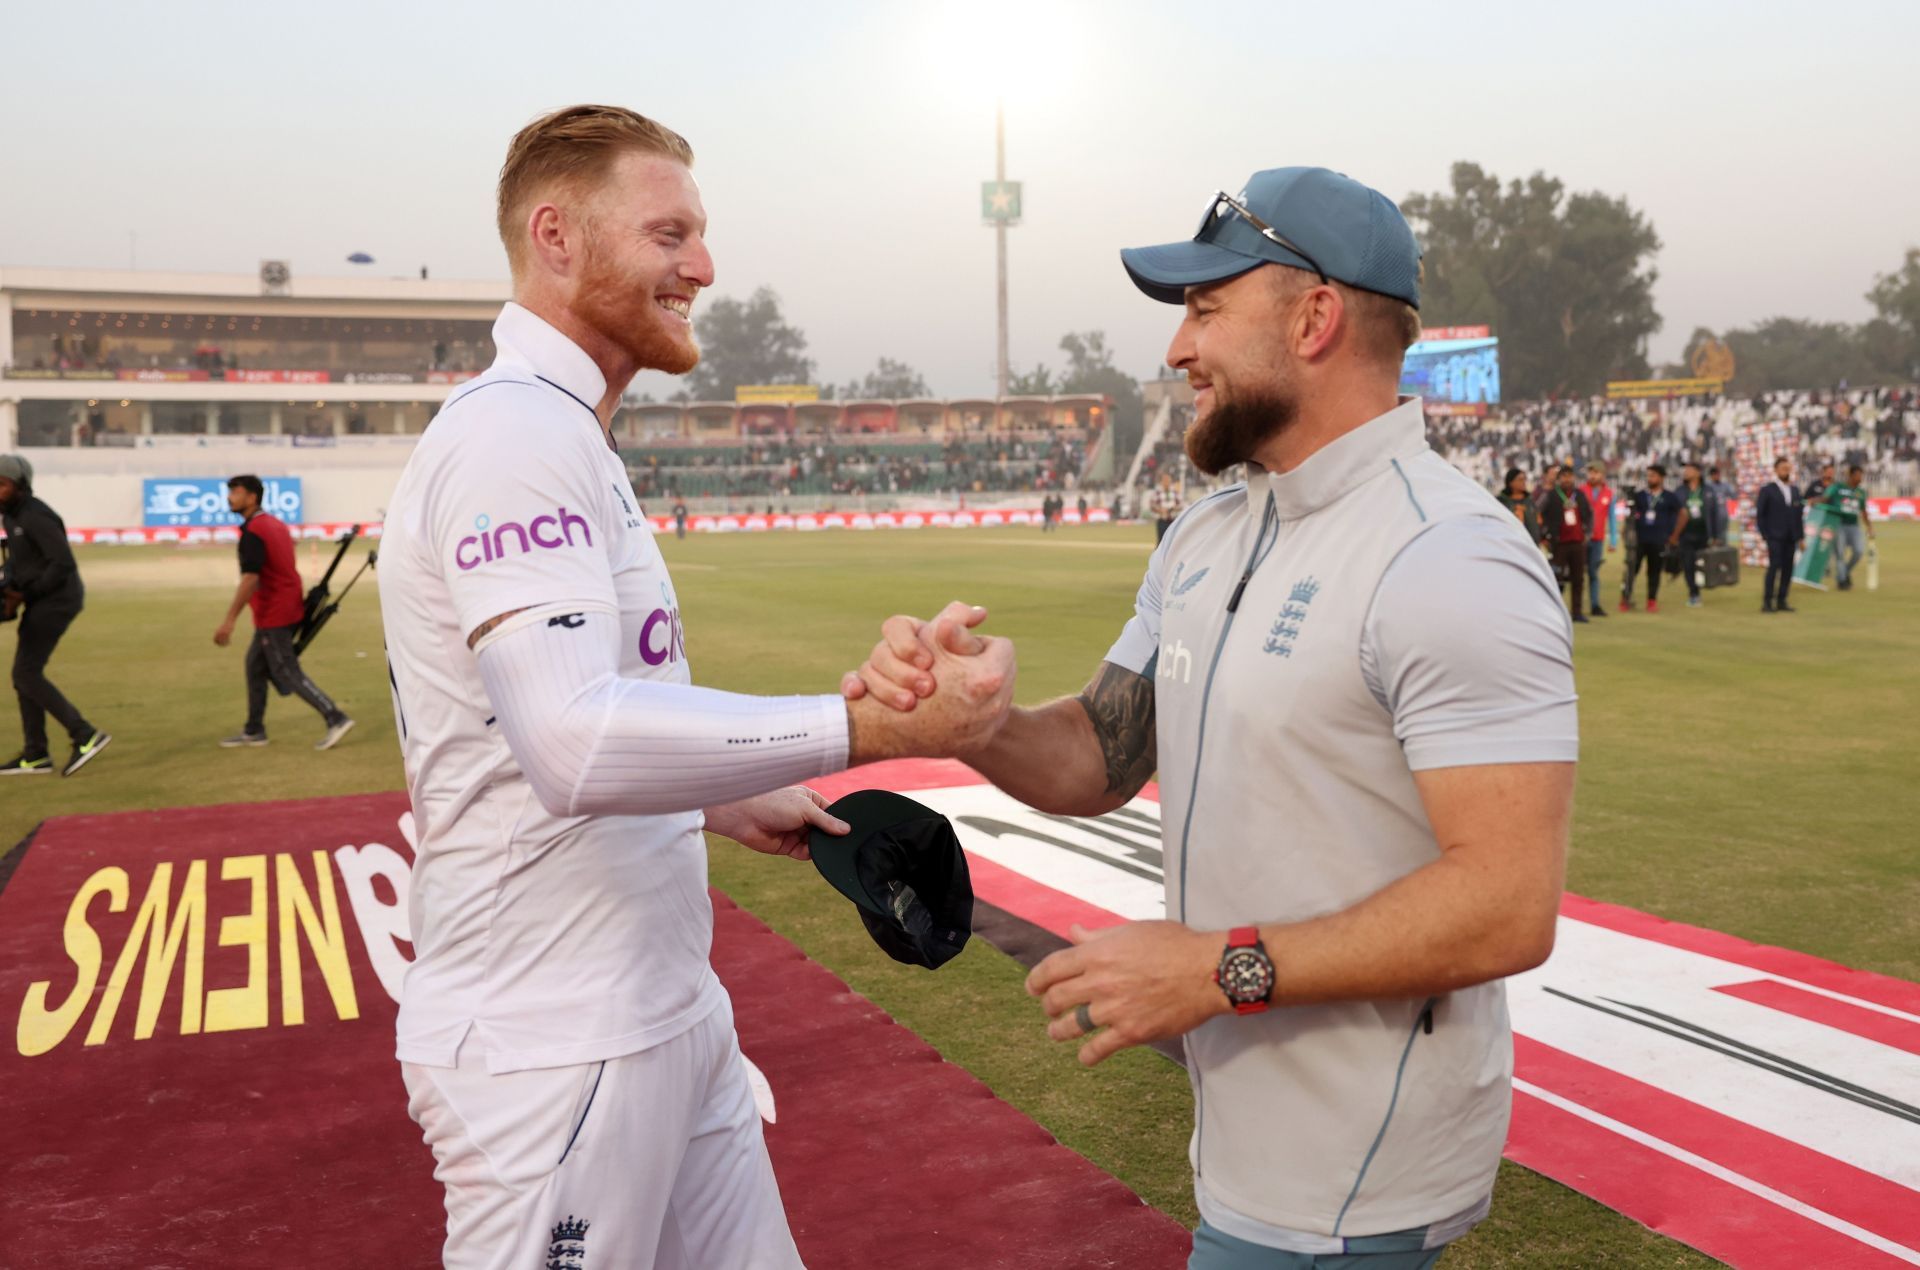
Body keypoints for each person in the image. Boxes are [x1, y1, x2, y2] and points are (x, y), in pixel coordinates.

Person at [849, 166, 1575, 1268]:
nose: (1178, 350)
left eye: (1205, 307)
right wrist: (979, 722)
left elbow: (1506, 905)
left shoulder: (1448, 557)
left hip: (1356, 1171)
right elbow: (1101, 750)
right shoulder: (1205, 536)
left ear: (1316, 317)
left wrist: (1211, 971)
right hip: (1248, 1138)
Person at [378, 105, 1011, 1270]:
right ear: (558, 236)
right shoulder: (516, 435)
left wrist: (723, 796)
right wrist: (864, 725)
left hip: (665, 1013)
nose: (704, 266)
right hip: (554, 1043)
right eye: (669, 233)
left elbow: (558, 726)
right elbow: (571, 741)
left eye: (701, 235)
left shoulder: (569, 433)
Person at [213, 475, 355, 751]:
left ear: (252, 497)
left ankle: (335, 717)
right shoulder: (274, 524)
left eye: (235, 492)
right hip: (289, 605)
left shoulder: (254, 531)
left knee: (287, 671)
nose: (230, 497)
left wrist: (229, 620)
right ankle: (254, 730)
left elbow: (251, 579)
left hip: (274, 612)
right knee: (255, 665)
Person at [0, 454, 111, 777]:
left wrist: (26, 594)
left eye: (2, 485)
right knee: (25, 675)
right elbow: (21, 563)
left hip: (58, 601)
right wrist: (9, 585)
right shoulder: (11, 516)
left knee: (26, 674)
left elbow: (63, 563)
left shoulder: (36, 516)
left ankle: (85, 734)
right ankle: (35, 755)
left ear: (20, 485)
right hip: (42, 600)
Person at [1621, 464, 1683, 613]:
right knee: (1632, 570)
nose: (1650, 478)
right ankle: (1625, 599)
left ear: (1661, 478)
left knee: (1654, 572)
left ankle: (1651, 601)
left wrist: (1674, 536)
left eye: (1653, 475)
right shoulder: (1640, 495)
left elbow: (1682, 513)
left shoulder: (1669, 497)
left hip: (1659, 540)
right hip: (1639, 540)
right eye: (1648, 475)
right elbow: (1630, 514)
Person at [1544, 465, 1594, 623]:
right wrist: (1546, 535)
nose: (1567, 479)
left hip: (1578, 542)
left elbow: (1589, 514)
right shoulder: (1551, 496)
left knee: (1578, 579)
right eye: (1563, 476)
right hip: (1560, 544)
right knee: (1557, 578)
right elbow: (1539, 513)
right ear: (1558, 479)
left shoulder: (1579, 495)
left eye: (1570, 476)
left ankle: (1576, 612)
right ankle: (1554, 612)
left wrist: (1587, 534)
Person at [1754, 455, 1803, 613]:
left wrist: (1800, 537)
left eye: (1788, 468)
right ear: (1776, 470)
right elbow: (1761, 514)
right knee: (1774, 568)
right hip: (1775, 536)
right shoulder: (1768, 490)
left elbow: (1798, 516)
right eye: (1783, 468)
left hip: (1791, 537)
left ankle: (1782, 600)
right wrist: (1765, 535)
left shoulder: (1795, 490)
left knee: (1788, 569)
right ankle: (1767, 601)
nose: (1786, 471)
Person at [1821, 465, 1875, 590]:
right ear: (1850, 475)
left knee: (1859, 551)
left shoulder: (1860, 492)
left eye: (1861, 475)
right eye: (1858, 475)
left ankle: (1844, 572)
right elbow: (1825, 498)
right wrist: (1812, 501)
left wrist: (1870, 527)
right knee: (1840, 553)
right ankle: (1842, 581)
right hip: (1838, 523)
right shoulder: (1838, 487)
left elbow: (1864, 511)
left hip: (1854, 525)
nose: (1860, 478)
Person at [1673, 461, 1714, 607]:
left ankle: (1699, 588)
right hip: (1686, 534)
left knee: (1703, 565)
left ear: (1698, 472)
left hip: (1704, 533)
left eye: (1689, 469)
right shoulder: (1679, 491)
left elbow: (1716, 514)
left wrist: (1716, 536)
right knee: (1688, 565)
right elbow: (1674, 513)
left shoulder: (1708, 490)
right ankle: (1694, 593)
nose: (1686, 472)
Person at [1577, 460, 1614, 618]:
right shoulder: (1580, 490)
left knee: (1593, 572)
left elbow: (1612, 518)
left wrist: (1613, 541)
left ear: (1602, 474)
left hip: (1598, 539)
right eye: (1590, 472)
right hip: (1581, 538)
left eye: (1595, 472)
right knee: (1577, 573)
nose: (1592, 476)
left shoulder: (1608, 493)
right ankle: (1576, 606)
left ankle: (1594, 605)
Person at [1496, 467, 1544, 548]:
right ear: (1510, 482)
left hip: (1533, 545)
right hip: (1512, 546)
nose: (1524, 482)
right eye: (1520, 480)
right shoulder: (1502, 502)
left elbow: (1539, 520)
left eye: (1524, 479)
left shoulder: (1529, 500)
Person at [1705, 464, 1734, 545]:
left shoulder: (1725, 485)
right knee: (1711, 536)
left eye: (1717, 474)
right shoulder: (1707, 486)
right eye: (1714, 474)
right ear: (1711, 475)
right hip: (1711, 515)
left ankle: (1723, 549)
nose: (1716, 476)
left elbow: (1733, 495)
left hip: (1722, 513)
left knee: (1723, 535)